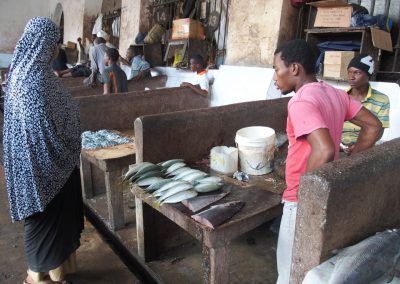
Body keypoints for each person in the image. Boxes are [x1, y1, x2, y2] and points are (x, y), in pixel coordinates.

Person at [272, 40, 382, 284]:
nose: (274, 76)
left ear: (294, 69)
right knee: (311, 264)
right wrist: (351, 157)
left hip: (302, 198)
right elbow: (373, 127)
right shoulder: (333, 93)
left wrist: (304, 194)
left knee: (289, 271)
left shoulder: (300, 101)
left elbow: (323, 150)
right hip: (328, 190)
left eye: (276, 68)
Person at [3, 17, 83, 284]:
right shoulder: (34, 81)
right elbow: (43, 132)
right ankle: (43, 277)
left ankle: (52, 273)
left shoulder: (20, 74)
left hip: (34, 165)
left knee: (46, 224)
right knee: (46, 223)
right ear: (42, 44)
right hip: (47, 169)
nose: (56, 50)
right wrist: (67, 145)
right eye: (54, 43)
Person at [341, 54, 390, 154]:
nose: (351, 77)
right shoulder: (341, 97)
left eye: (357, 73)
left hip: (366, 147)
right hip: (339, 146)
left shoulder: (382, 100)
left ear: (368, 74)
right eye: (349, 72)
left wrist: (358, 146)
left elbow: (378, 131)